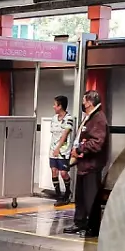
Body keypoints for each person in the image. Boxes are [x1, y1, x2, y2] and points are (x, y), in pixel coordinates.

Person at [64, 90, 108, 237]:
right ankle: (80, 222)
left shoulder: (98, 118)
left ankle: (94, 228)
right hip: (83, 164)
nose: (82, 103)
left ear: (89, 102)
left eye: (84, 100)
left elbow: (97, 143)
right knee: (81, 198)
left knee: (91, 198)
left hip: (92, 165)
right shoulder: (90, 117)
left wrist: (80, 149)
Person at [48, 95, 74, 206]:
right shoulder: (54, 118)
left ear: (60, 106)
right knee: (54, 171)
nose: (53, 107)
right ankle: (58, 195)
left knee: (63, 173)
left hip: (63, 151)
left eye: (55, 104)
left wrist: (58, 148)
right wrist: (53, 149)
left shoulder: (69, 118)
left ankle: (68, 192)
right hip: (52, 149)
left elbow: (65, 134)